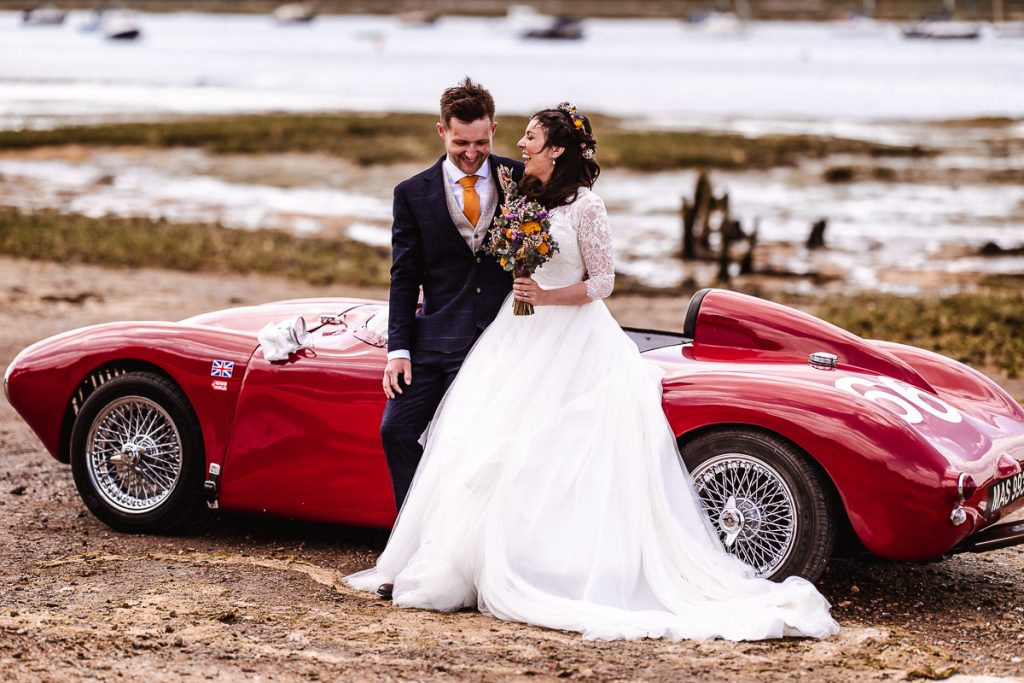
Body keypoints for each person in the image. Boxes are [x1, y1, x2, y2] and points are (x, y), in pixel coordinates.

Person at [348, 104, 840, 641]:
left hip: (571, 335)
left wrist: (546, 294)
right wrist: (405, 342)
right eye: (516, 137)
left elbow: (603, 281)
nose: (517, 144)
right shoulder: (521, 190)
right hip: (513, 336)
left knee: (555, 447)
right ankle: (443, 552)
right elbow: (414, 272)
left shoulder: (572, 199)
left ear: (554, 149)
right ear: (444, 133)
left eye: (528, 137)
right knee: (481, 443)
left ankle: (548, 563)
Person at [379, 78, 524, 549]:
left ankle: (465, 546)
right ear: (440, 131)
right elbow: (404, 277)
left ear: (495, 130)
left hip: (496, 341)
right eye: (461, 142)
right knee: (396, 431)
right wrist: (398, 349)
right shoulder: (411, 193)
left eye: (482, 142)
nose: (472, 153)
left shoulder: (519, 181)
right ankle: (417, 537)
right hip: (432, 340)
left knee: (471, 446)